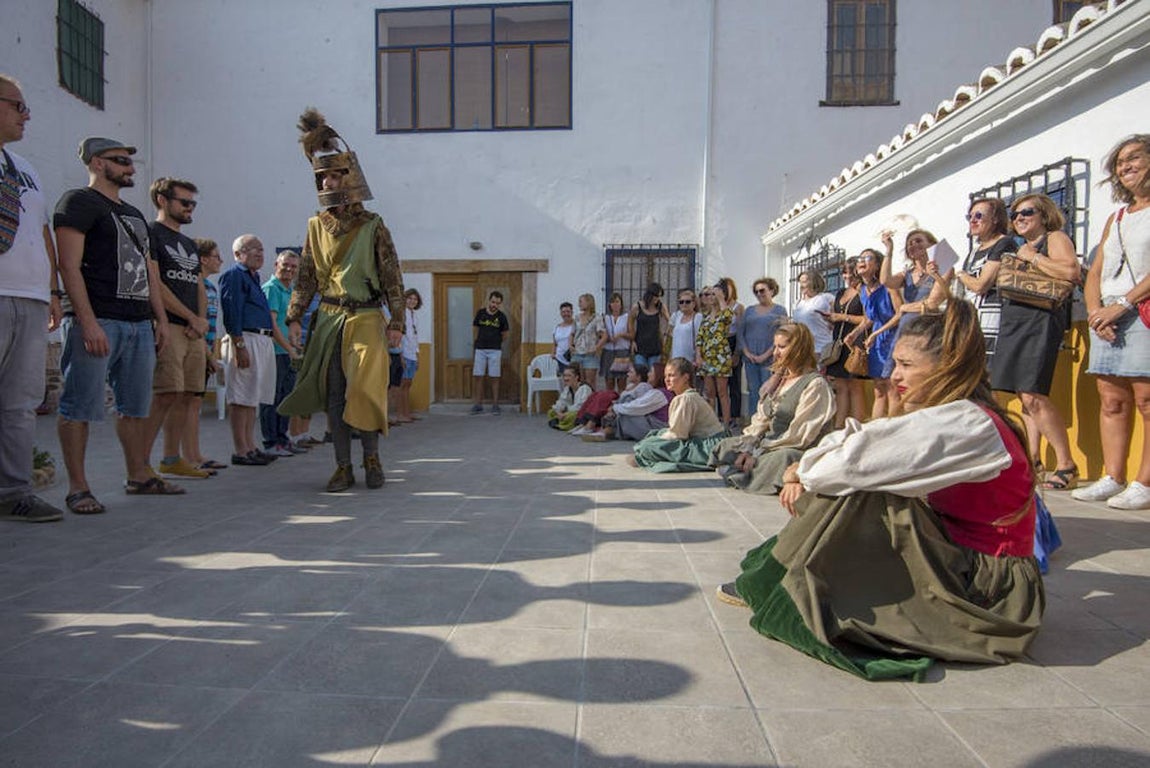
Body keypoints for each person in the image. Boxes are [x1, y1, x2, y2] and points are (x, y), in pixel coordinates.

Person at [718, 301, 1044, 681]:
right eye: (895, 363)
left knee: (862, 492)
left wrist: (802, 472)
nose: (894, 375)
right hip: (964, 558)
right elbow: (866, 436)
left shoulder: (967, 422)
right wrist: (805, 470)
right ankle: (790, 575)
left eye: (906, 365)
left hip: (988, 588)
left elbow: (857, 460)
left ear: (947, 366)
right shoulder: (958, 413)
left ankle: (783, 581)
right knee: (858, 483)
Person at [280, 108, 406, 491]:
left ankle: (372, 458)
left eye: (335, 173)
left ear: (351, 176)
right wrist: (295, 316)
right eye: (323, 175)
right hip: (331, 318)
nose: (329, 180)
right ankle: (342, 466)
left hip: (367, 316)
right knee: (334, 394)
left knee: (365, 390)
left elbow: (392, 277)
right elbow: (306, 276)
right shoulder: (315, 226)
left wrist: (397, 322)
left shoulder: (373, 225)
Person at [54, 137, 176, 512]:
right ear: (97, 162)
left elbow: (151, 272)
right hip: (98, 319)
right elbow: (68, 265)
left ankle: (139, 475)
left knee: (135, 407)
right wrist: (87, 322)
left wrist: (159, 318)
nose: (129, 167)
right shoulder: (77, 202)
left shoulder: (136, 215)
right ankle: (78, 487)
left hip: (139, 324)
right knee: (78, 406)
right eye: (120, 160)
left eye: (130, 161)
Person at [0, 73, 65, 522]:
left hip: (30, 298)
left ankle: (13, 492)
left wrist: (53, 291)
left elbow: (42, 231)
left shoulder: (26, 168)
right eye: (18, 106)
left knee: (21, 405)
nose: (27, 115)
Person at [1075, 135, 1150, 508]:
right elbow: (1096, 272)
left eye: (1134, 158)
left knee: (1146, 398)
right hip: (1106, 315)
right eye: (1120, 163)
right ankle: (1112, 475)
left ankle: (1144, 482)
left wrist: (1121, 305)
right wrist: (1094, 313)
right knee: (1111, 399)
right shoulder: (1116, 218)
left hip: (1140, 311)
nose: (1125, 167)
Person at [992, 194, 1080, 491]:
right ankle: (1034, 460)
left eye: (1027, 212)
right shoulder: (1020, 247)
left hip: (1041, 319)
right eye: (1015, 214)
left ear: (1043, 214)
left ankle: (1067, 464)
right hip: (1015, 320)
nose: (1019, 218)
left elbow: (1071, 272)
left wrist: (1034, 258)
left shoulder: (1053, 238)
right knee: (1023, 394)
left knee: (1033, 393)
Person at [140, 177, 213, 482]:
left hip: (193, 331)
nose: (189, 208)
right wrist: (188, 317)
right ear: (162, 200)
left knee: (187, 395)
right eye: (184, 202)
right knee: (166, 394)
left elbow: (196, 283)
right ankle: (140, 463)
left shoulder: (187, 243)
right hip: (168, 325)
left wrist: (201, 319)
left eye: (192, 203)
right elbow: (154, 282)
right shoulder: (150, 233)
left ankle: (172, 459)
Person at [711, 323, 835, 493]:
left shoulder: (815, 385)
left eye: (782, 347)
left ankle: (750, 472)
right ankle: (749, 469)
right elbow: (760, 421)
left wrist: (759, 451)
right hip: (768, 444)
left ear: (799, 348)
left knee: (784, 458)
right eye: (775, 346)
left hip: (794, 447)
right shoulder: (779, 381)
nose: (776, 353)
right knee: (726, 446)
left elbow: (800, 435)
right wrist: (749, 446)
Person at [869, 228, 952, 417]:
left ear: (932, 245)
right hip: (904, 333)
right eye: (910, 243)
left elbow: (933, 302)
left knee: (921, 387)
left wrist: (906, 308)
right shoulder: (907, 273)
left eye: (919, 241)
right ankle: (892, 428)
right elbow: (886, 281)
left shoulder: (944, 267)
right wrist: (889, 251)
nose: (913, 245)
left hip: (927, 334)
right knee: (893, 384)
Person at [219, 234, 278, 467]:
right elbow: (232, 310)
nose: (259, 253)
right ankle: (240, 449)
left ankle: (251, 445)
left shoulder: (255, 279)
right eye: (253, 249)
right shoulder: (234, 276)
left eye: (262, 249)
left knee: (252, 397)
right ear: (238, 254)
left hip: (262, 340)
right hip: (246, 338)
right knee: (241, 396)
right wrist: (239, 344)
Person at [631, 357, 726, 472]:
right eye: (666, 376)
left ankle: (645, 454)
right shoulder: (685, 396)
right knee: (655, 434)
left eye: (671, 375)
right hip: (705, 442)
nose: (667, 380)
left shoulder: (686, 398)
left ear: (685, 377)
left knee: (648, 446)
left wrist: (656, 441)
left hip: (707, 448)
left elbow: (678, 435)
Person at [181, 237, 226, 472]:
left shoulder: (210, 287)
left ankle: (195, 454)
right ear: (203, 259)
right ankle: (187, 456)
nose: (220, 261)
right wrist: (208, 355)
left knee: (195, 405)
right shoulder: (192, 285)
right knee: (188, 405)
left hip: (206, 350)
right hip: (195, 350)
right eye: (217, 256)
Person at [955, 197, 1014, 364]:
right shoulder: (975, 251)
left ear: (995, 219)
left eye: (979, 215)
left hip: (993, 320)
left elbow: (981, 285)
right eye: (970, 216)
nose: (973, 220)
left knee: (986, 373)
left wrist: (961, 275)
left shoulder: (1004, 243)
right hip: (973, 320)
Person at [846, 249, 900, 419]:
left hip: (893, 338)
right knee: (878, 390)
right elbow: (869, 318)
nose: (862, 261)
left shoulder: (889, 286)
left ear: (877, 265)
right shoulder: (862, 289)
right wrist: (854, 334)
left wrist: (877, 333)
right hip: (876, 341)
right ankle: (876, 431)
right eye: (860, 258)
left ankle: (893, 430)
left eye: (868, 257)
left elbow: (900, 314)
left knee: (892, 389)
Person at [260, 250, 304, 456]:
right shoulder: (271, 289)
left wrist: (295, 346)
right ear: (276, 264)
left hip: (289, 352)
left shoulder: (292, 291)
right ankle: (271, 442)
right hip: (275, 352)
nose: (289, 269)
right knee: (272, 397)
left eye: (294, 266)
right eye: (285, 265)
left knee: (286, 397)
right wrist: (288, 348)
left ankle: (282, 438)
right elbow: (272, 325)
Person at [823, 258, 867, 427]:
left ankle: (857, 427)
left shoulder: (864, 291)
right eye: (845, 272)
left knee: (855, 386)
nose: (848, 276)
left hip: (855, 342)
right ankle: (839, 426)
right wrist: (831, 319)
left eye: (851, 273)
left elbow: (868, 318)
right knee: (840, 386)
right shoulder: (840, 292)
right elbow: (836, 315)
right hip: (839, 343)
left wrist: (843, 317)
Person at [737, 277, 787, 419]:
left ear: (771, 290)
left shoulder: (780, 310)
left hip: (770, 357)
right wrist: (747, 352)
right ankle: (754, 421)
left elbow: (782, 334)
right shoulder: (749, 310)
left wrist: (766, 354)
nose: (759, 294)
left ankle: (766, 421)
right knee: (753, 391)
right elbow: (741, 332)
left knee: (767, 390)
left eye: (762, 291)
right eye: (756, 292)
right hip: (750, 358)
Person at [696, 283, 735, 427]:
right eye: (709, 294)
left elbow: (728, 318)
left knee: (722, 391)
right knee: (709, 392)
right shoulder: (705, 316)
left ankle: (726, 423)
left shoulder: (724, 312)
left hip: (721, 357)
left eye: (713, 294)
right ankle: (711, 423)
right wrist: (698, 356)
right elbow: (700, 338)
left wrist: (721, 299)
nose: (711, 297)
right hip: (707, 358)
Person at [469, 290, 509, 415]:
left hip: (495, 351)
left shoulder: (502, 317)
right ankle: (478, 404)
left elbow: (505, 335)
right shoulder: (480, 313)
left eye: (497, 303)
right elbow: (475, 329)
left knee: (495, 377)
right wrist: (477, 342)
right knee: (478, 377)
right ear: (489, 300)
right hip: (480, 350)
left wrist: (496, 343)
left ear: (500, 304)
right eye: (493, 302)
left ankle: (495, 405)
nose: (494, 305)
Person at [791, 269, 834, 362]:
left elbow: (834, 319)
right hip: (803, 349)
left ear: (814, 282)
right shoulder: (798, 303)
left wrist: (831, 323)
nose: (801, 285)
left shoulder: (826, 298)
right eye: (800, 282)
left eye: (804, 282)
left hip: (821, 348)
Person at [719, 277, 745, 423]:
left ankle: (735, 416)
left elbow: (741, 330)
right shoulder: (717, 306)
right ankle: (722, 414)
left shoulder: (738, 307)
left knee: (734, 382)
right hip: (719, 343)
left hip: (733, 341)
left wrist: (737, 352)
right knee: (721, 384)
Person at [394, 288, 422, 423]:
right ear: (405, 299)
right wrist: (401, 356)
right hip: (404, 353)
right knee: (402, 384)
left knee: (408, 384)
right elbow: (400, 336)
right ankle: (400, 414)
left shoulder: (414, 315)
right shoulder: (402, 314)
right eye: (410, 298)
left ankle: (407, 413)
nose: (412, 301)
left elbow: (415, 337)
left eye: (415, 299)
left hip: (412, 354)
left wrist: (417, 356)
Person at [570, 292, 605, 388]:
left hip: (590, 355)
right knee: (577, 381)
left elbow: (604, 335)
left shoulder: (597, 318)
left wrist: (596, 347)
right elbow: (572, 333)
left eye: (581, 301)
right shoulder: (577, 318)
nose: (579, 304)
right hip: (577, 353)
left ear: (589, 302)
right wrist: (570, 346)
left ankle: (590, 401)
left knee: (590, 382)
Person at [629, 282, 668, 368]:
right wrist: (632, 341)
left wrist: (665, 334)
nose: (657, 299)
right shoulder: (637, 307)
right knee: (640, 372)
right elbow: (630, 323)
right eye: (656, 296)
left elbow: (670, 321)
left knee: (653, 374)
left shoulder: (661, 307)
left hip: (655, 346)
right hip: (640, 346)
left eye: (659, 297)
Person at [600, 292, 631, 392]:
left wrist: (620, 335)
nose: (615, 304)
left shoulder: (627, 317)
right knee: (609, 381)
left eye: (617, 301)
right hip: (608, 351)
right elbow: (600, 333)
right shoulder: (605, 318)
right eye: (612, 302)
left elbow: (632, 334)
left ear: (621, 303)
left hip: (622, 351)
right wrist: (608, 338)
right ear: (609, 304)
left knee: (622, 382)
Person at [547, 364, 591, 431]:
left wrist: (565, 414)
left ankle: (562, 423)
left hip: (582, 413)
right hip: (569, 411)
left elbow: (580, 407)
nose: (565, 378)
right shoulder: (567, 388)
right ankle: (561, 421)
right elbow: (561, 401)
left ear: (576, 377)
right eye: (564, 376)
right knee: (551, 412)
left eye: (569, 376)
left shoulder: (584, 388)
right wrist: (558, 411)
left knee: (572, 416)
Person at [667, 288, 701, 364]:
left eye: (687, 302)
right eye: (681, 302)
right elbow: (669, 336)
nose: (684, 304)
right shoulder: (676, 316)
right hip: (675, 358)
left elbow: (700, 339)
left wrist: (698, 356)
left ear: (694, 303)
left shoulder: (698, 317)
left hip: (691, 359)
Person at [552, 301, 574, 372]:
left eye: (568, 311)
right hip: (559, 360)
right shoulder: (557, 327)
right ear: (561, 313)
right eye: (563, 312)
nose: (566, 314)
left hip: (573, 360)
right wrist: (553, 354)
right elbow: (555, 344)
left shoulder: (576, 326)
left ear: (572, 312)